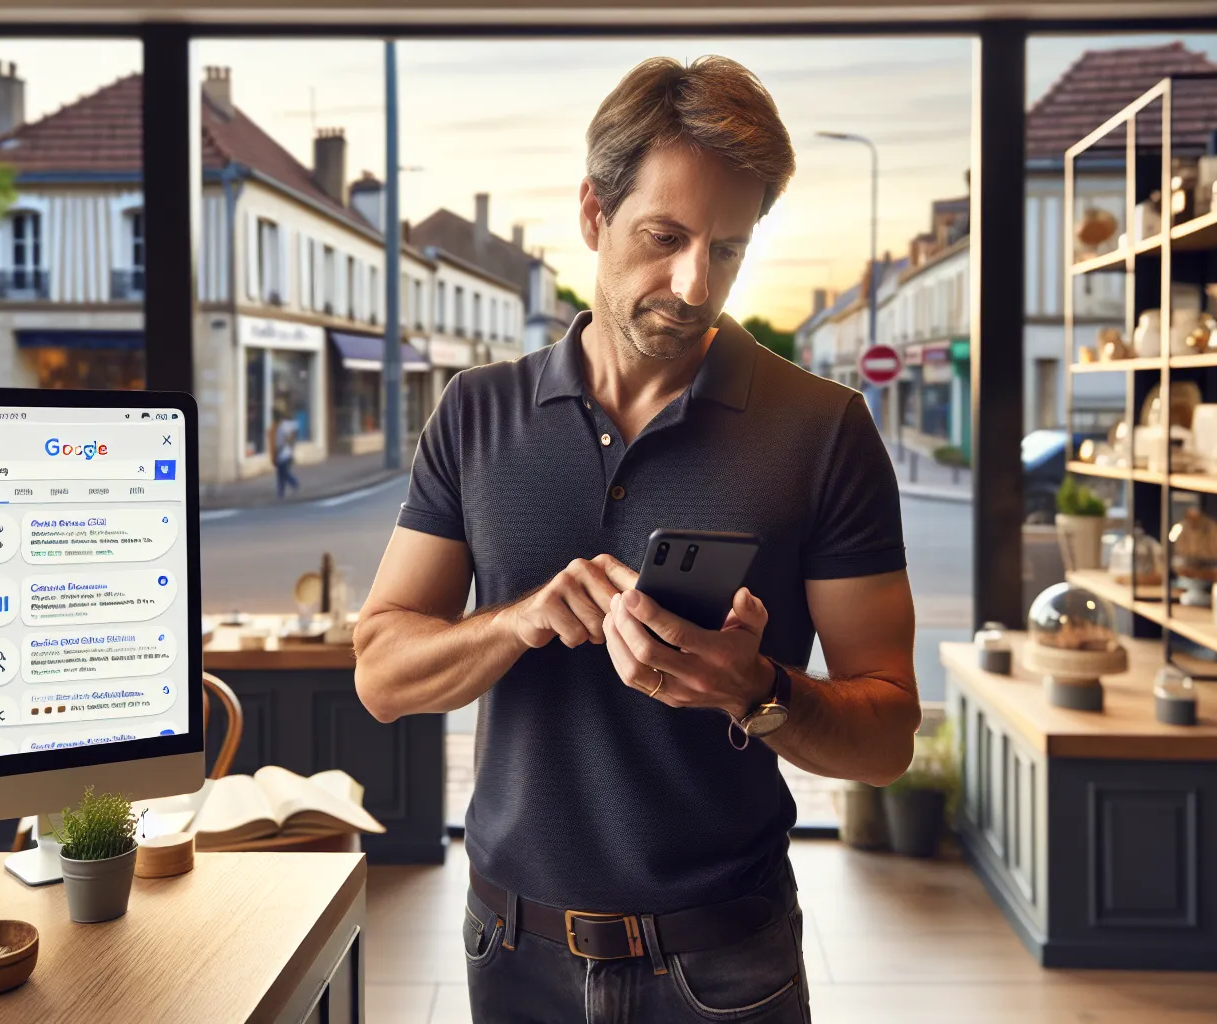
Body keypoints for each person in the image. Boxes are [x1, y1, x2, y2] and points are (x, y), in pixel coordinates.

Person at [354, 55, 918, 1024]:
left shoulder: (825, 429)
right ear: (592, 215)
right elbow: (380, 672)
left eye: (728, 249)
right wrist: (521, 620)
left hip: (726, 960)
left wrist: (758, 690)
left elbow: (888, 736)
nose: (695, 283)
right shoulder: (475, 412)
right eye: (664, 236)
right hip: (511, 949)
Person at [272, 406, 299, 498]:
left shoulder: (283, 426)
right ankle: (281, 493)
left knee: (284, 474)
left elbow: (287, 439)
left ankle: (295, 484)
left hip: (284, 454)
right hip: (283, 453)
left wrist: (284, 450)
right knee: (281, 475)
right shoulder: (280, 427)